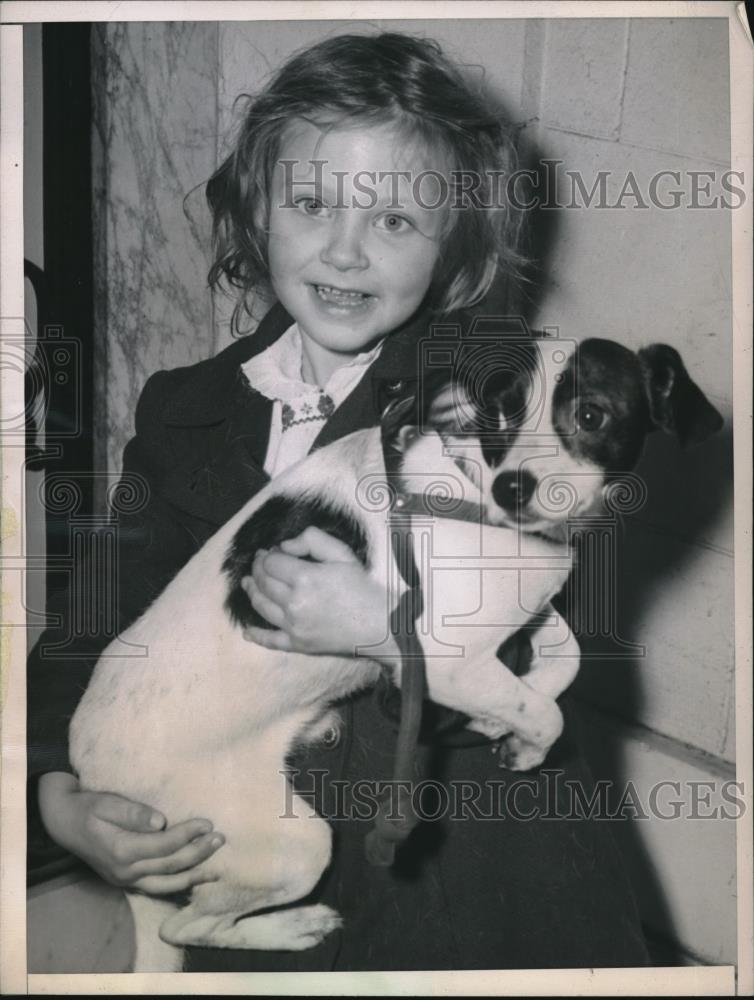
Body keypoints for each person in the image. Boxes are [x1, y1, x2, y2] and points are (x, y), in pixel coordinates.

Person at [27, 31, 650, 971]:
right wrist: (50, 787)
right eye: (312, 204)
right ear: (254, 212)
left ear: (456, 246)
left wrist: (383, 629)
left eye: (396, 221)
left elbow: (545, 647)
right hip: (260, 831)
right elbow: (96, 620)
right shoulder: (183, 411)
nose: (347, 251)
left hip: (462, 867)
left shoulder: (500, 409)